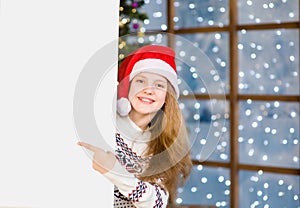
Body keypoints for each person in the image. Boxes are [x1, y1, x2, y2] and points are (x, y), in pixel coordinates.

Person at [78, 45, 192, 208]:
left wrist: (115, 171)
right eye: (141, 81)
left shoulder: (162, 148)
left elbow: (157, 203)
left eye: (159, 85)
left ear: (167, 96)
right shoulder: (104, 123)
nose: (149, 90)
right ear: (128, 88)